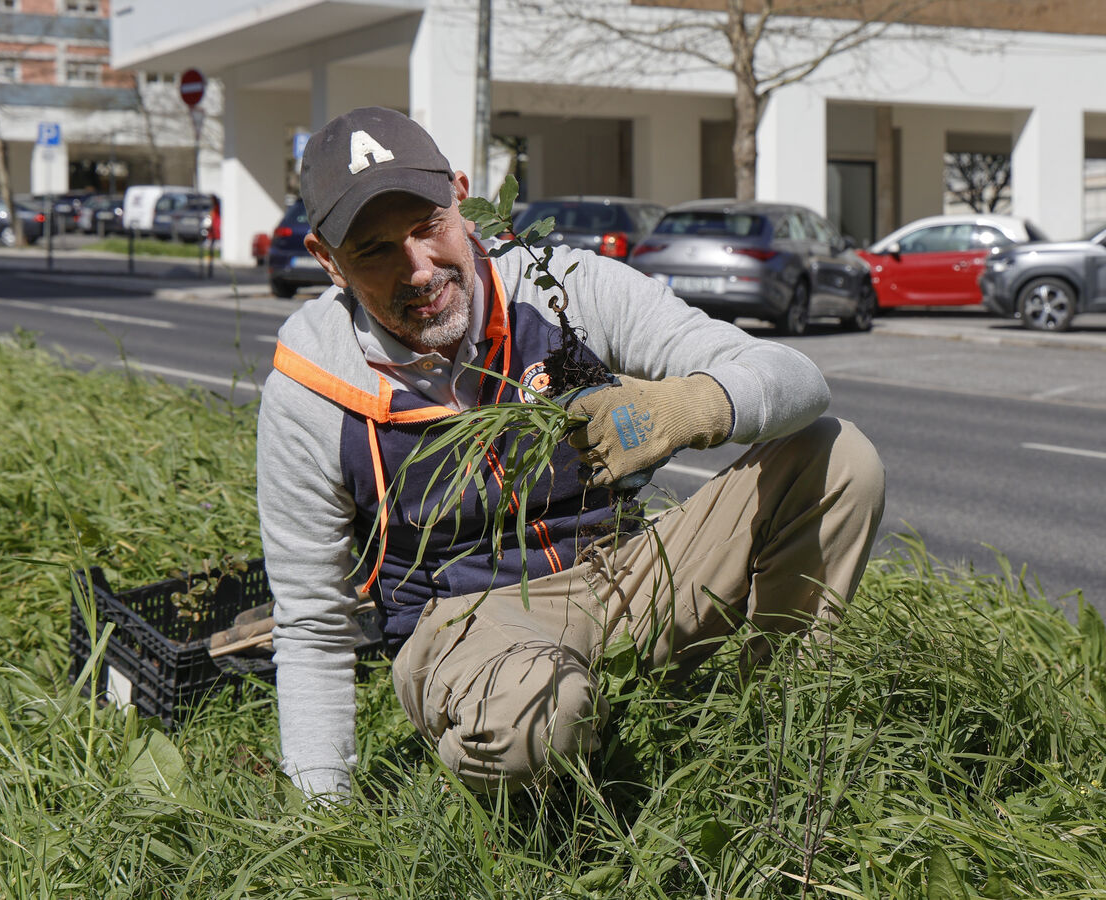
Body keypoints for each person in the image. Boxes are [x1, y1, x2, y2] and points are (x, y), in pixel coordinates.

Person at [257, 106, 885, 797]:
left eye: (427, 226)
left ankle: (777, 743)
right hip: (467, 624)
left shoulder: (563, 289)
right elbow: (314, 624)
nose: (419, 269)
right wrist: (323, 811)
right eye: (374, 250)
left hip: (623, 576)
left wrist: (683, 408)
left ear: (460, 197)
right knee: (531, 718)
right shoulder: (313, 387)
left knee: (835, 457)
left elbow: (796, 379)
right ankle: (554, 787)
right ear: (328, 261)